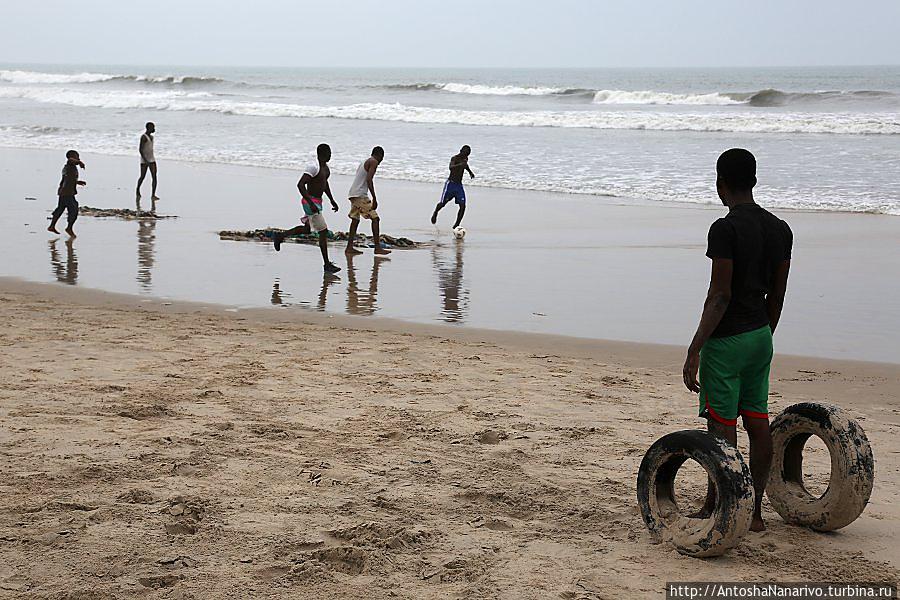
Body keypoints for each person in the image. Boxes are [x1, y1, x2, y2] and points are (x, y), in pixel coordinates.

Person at [682, 148, 793, 532]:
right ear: (755, 181)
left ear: (720, 184)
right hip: (761, 335)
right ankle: (757, 511)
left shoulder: (724, 228)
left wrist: (695, 347)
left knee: (722, 424)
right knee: (758, 420)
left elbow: (720, 294)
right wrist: (764, 336)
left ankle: (722, 503)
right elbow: (777, 294)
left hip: (726, 340)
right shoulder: (781, 228)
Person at [273, 144, 341, 273]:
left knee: (307, 229)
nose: (330, 155)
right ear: (321, 154)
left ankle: (280, 236)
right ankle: (327, 265)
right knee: (323, 231)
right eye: (328, 153)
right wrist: (310, 203)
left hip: (318, 202)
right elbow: (300, 185)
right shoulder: (313, 167)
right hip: (310, 202)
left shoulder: (326, 169)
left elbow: (324, 184)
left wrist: (332, 200)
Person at [346, 146, 391, 256]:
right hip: (360, 195)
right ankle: (377, 247)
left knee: (355, 220)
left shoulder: (365, 161)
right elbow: (369, 179)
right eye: (382, 158)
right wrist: (374, 198)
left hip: (353, 193)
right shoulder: (373, 161)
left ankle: (349, 247)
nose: (380, 162)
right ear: (380, 156)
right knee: (375, 218)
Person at [431, 145, 474, 229]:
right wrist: (459, 165)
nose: (466, 156)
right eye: (465, 154)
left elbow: (466, 165)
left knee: (463, 206)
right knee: (443, 203)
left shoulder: (465, 158)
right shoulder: (455, 158)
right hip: (450, 184)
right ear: (460, 151)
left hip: (459, 185)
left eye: (468, 155)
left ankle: (457, 224)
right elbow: (450, 167)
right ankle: (436, 212)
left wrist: (470, 172)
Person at [48, 150, 86, 238]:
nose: (79, 158)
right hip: (66, 193)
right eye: (77, 157)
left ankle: (52, 226)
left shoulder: (70, 167)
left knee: (60, 209)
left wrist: (77, 182)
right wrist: (80, 162)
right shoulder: (69, 164)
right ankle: (68, 228)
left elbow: (69, 179)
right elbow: (70, 160)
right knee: (74, 209)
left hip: (65, 192)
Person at [136, 122, 159, 201]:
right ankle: (137, 190)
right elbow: (140, 150)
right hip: (144, 160)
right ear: (149, 128)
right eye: (153, 127)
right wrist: (145, 160)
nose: (154, 129)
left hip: (152, 159)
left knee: (154, 176)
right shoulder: (144, 137)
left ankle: (153, 194)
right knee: (142, 176)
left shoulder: (152, 137)